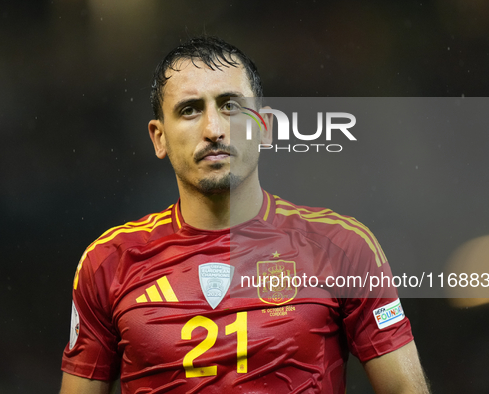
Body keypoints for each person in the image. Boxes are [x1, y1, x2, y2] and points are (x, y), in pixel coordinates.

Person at [60, 36, 431, 393]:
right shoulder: (108, 263)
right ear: (159, 138)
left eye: (231, 106)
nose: (214, 130)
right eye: (190, 110)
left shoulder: (342, 248)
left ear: (264, 127)